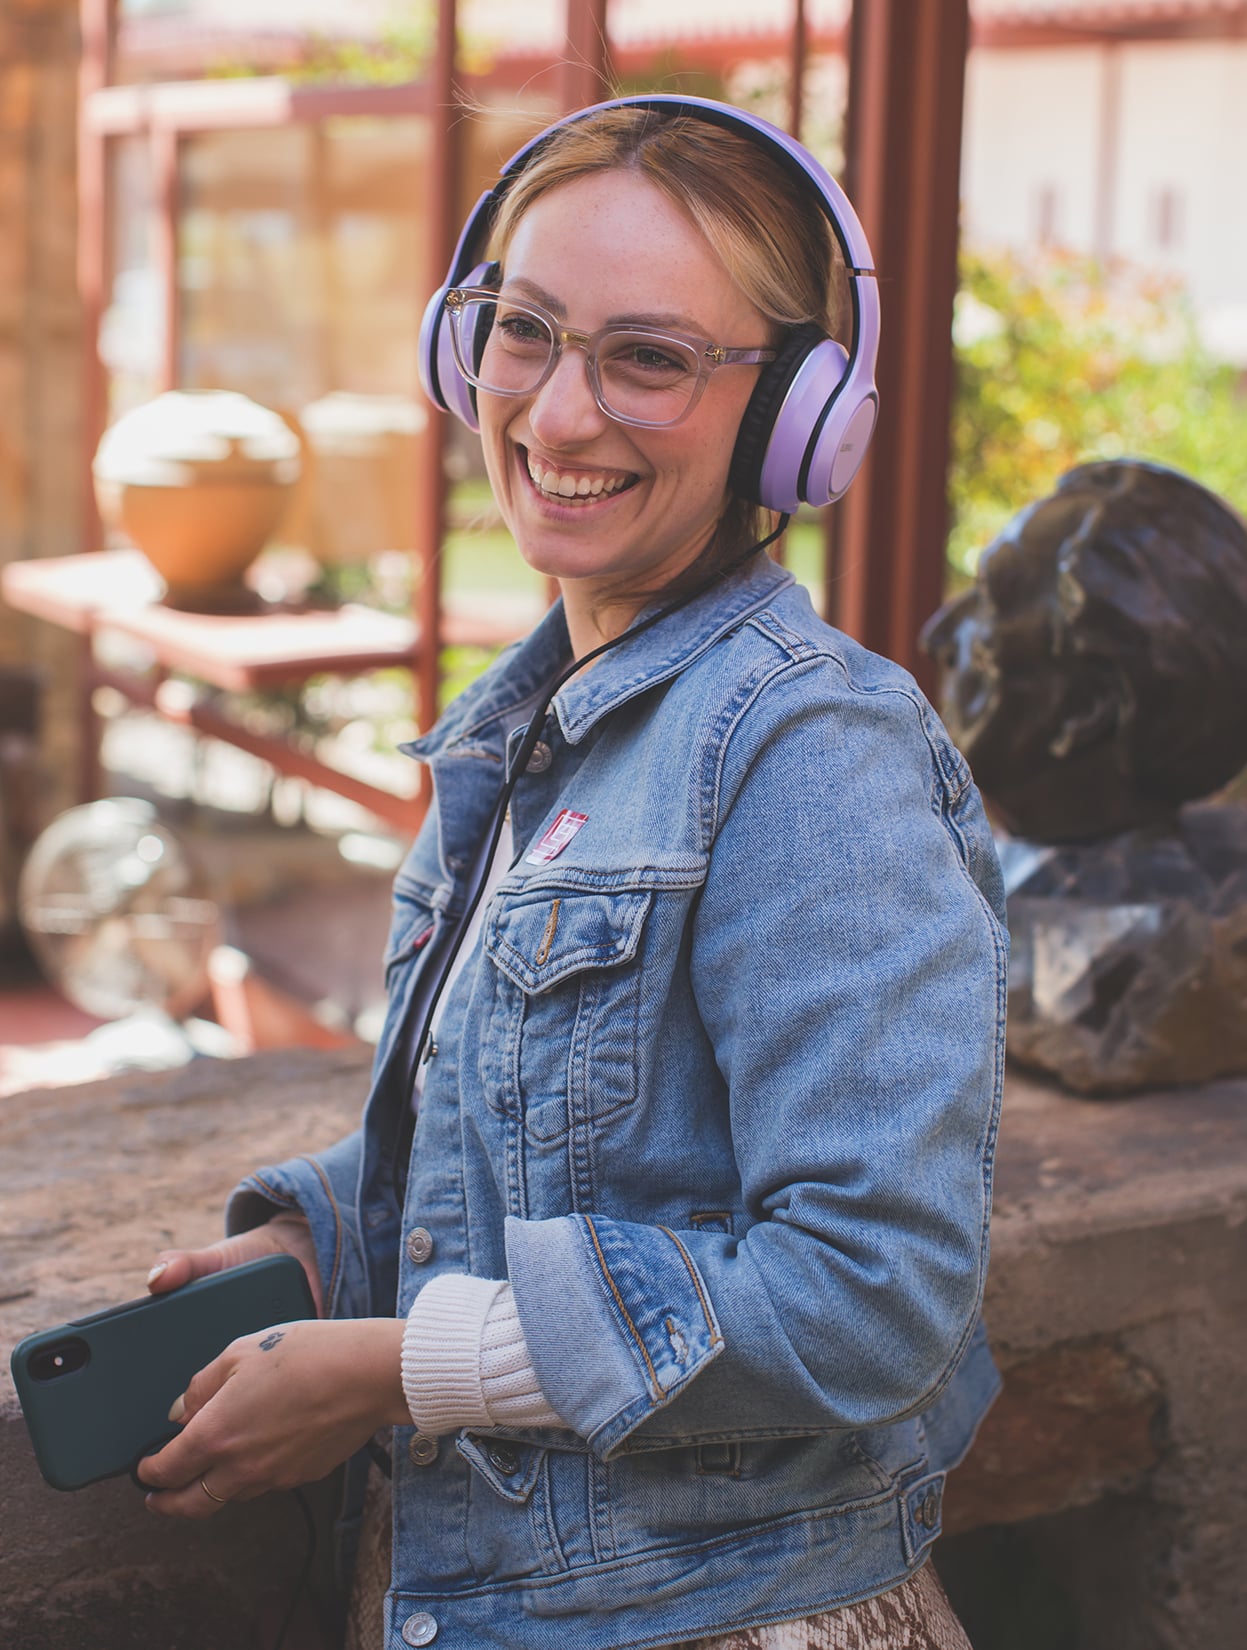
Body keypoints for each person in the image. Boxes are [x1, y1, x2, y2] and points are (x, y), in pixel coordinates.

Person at [139, 98, 1007, 1650]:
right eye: (523, 329)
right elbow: (562, 1135)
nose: (553, 414)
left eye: (651, 357)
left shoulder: (813, 749)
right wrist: (327, 1240)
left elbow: (870, 1294)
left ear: (798, 417)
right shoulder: (538, 727)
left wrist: (397, 1364)